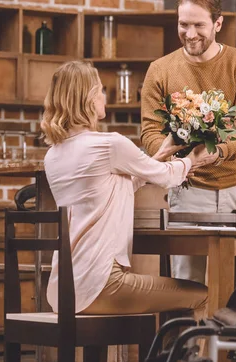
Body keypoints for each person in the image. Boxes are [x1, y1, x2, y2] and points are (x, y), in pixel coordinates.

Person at [41, 60, 210, 319]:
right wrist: (193, 159)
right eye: (99, 89)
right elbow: (167, 178)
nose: (103, 95)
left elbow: (119, 187)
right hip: (103, 285)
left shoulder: (53, 154)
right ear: (87, 98)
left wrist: (162, 153)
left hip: (63, 292)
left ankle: (168, 360)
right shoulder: (110, 145)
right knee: (203, 295)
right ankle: (185, 361)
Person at [140, 0, 236, 284]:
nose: (191, 33)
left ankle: (227, 332)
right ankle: (188, 331)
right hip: (187, 190)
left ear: (217, 25)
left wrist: (218, 153)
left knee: (234, 285)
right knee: (186, 284)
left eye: (199, 25)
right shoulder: (159, 70)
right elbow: (150, 132)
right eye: (184, 24)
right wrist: (175, 163)